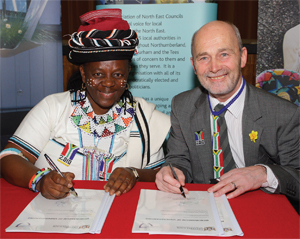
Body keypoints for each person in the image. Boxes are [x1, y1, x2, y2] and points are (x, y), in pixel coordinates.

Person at [0, 9, 170, 199]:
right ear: (83, 73)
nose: (108, 83)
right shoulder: (54, 107)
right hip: (55, 215)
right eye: (98, 74)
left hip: (118, 213)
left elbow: (160, 174)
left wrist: (134, 173)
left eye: (118, 75)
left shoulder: (144, 117)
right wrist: (40, 180)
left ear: (128, 72)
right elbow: (10, 157)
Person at [155, 21, 299, 203]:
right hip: (202, 207)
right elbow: (179, 159)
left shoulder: (284, 114)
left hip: (259, 209)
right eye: (204, 58)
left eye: (224, 54)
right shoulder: (182, 105)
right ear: (194, 65)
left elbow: (297, 176)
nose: (214, 68)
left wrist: (263, 174)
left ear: (243, 57)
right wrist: (171, 172)